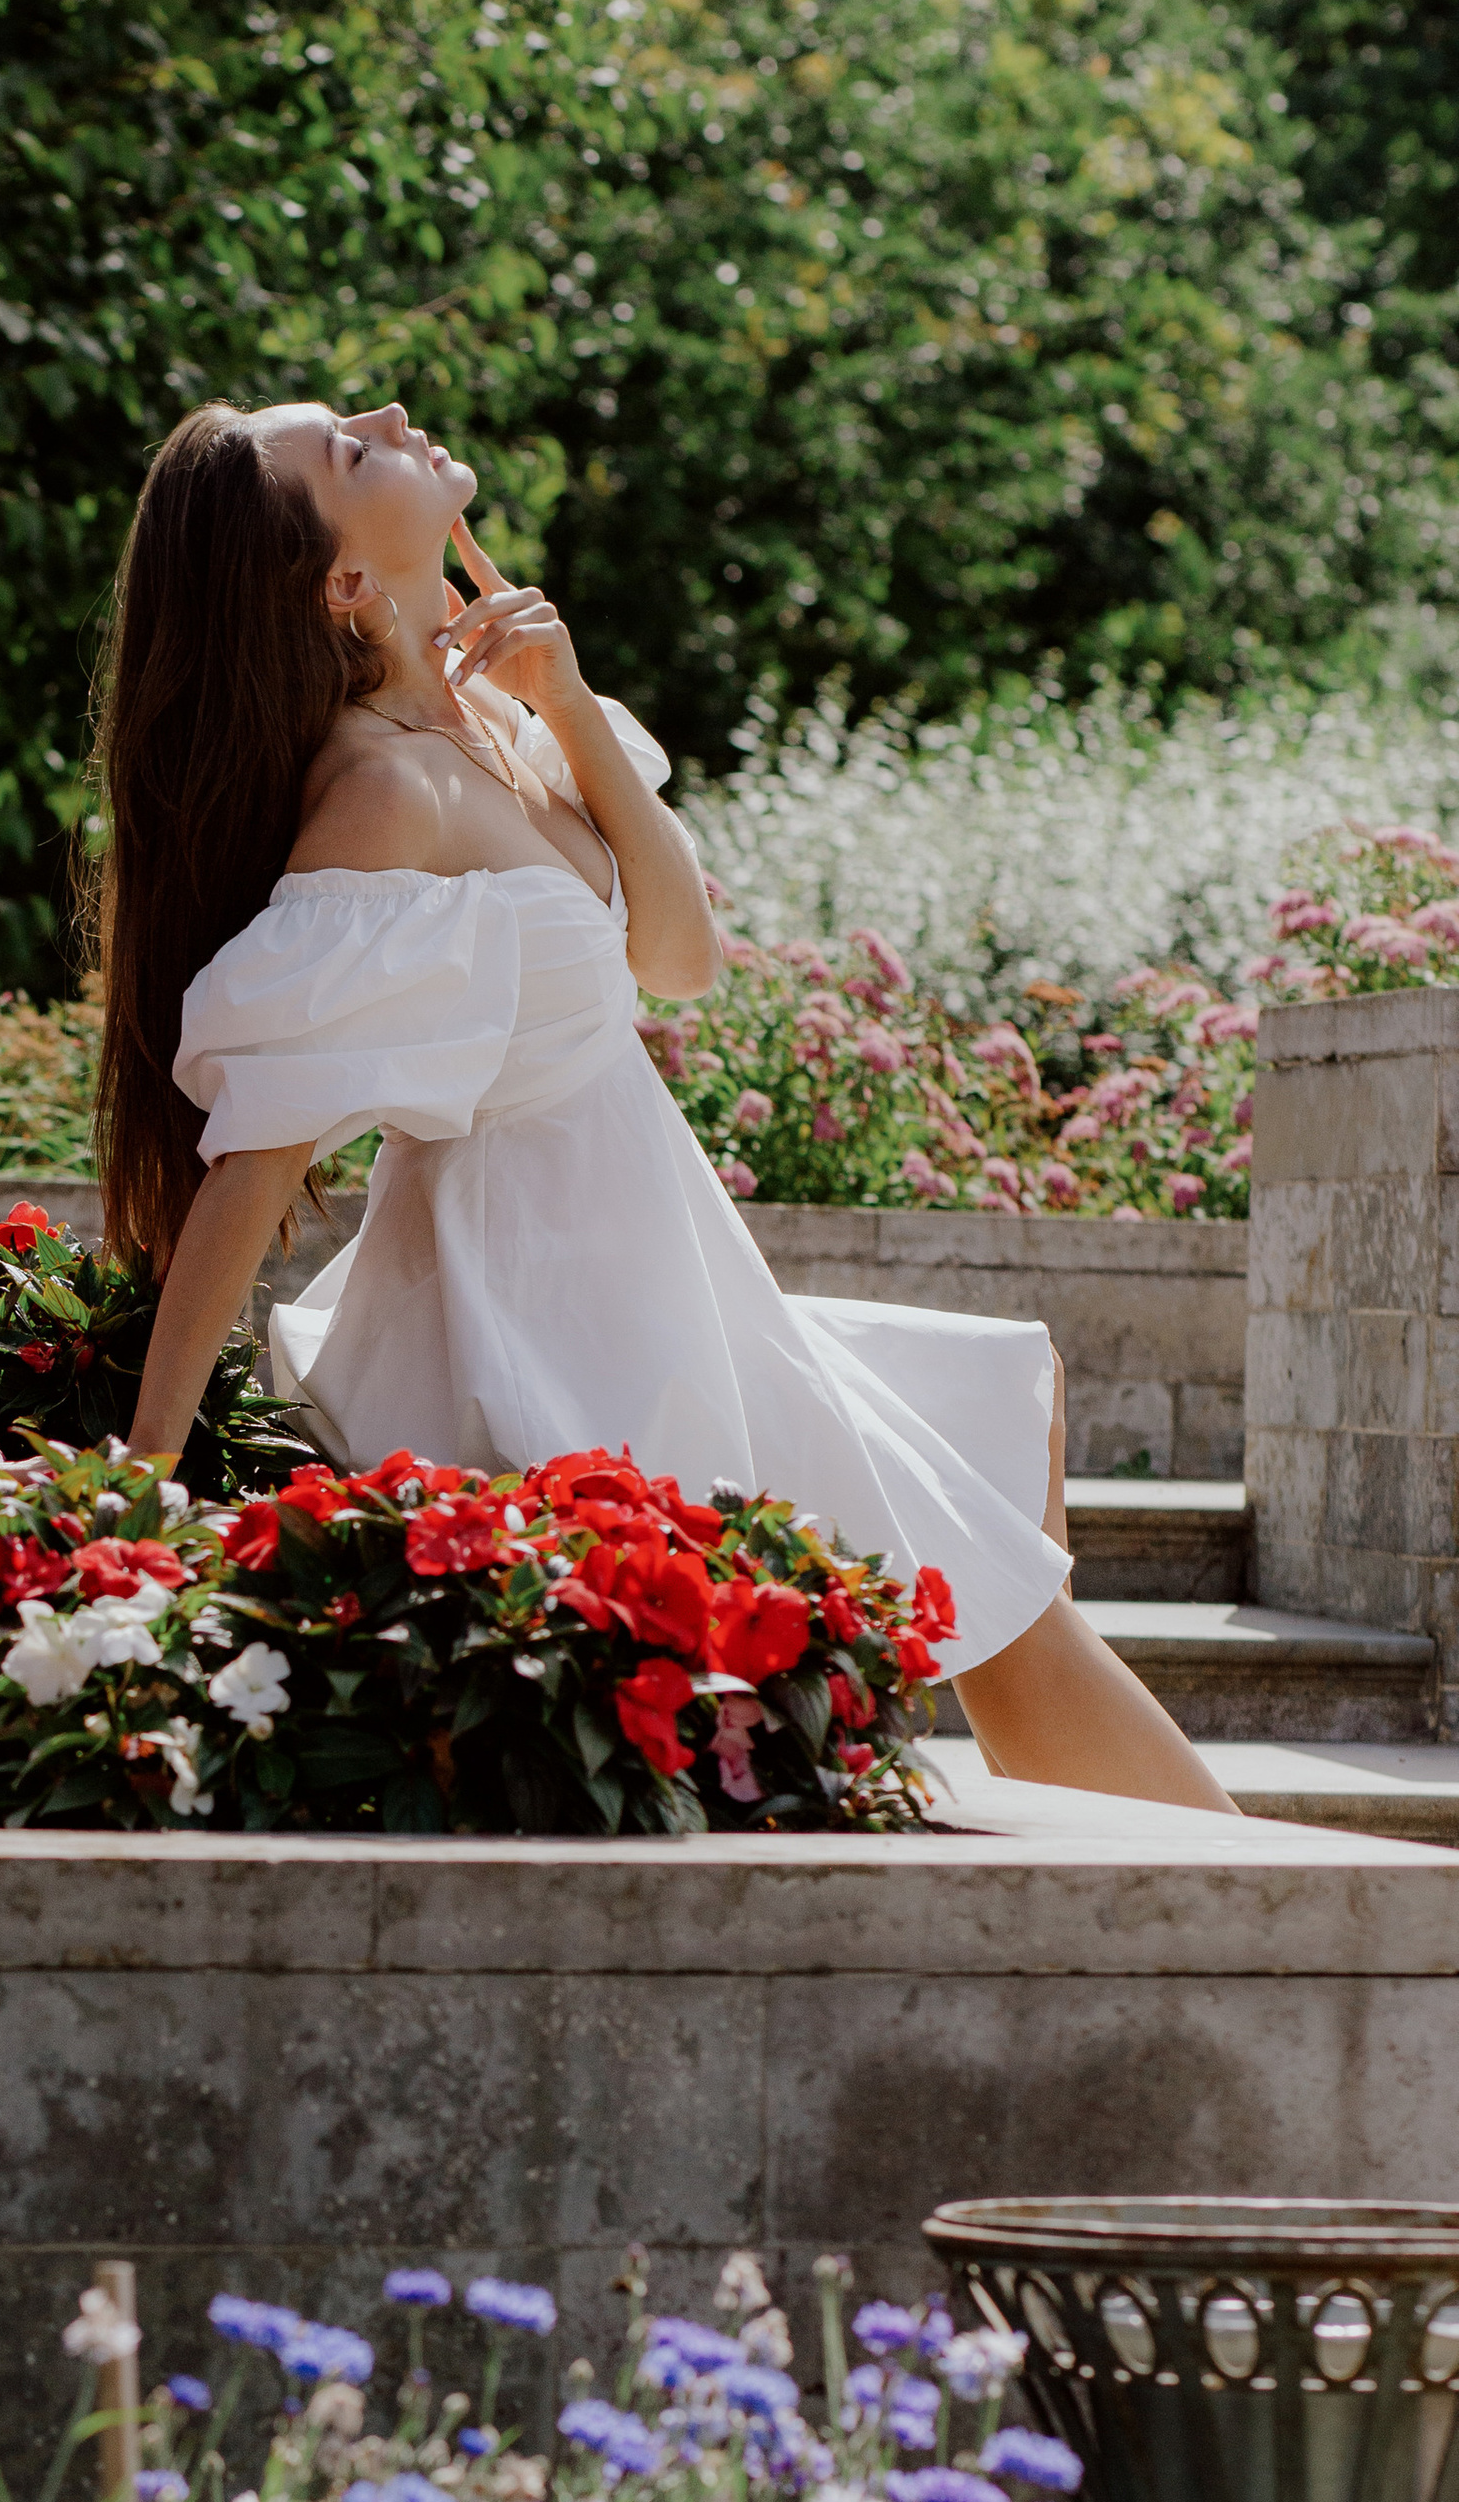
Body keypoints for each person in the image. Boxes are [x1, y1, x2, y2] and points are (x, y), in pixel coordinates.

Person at [91, 397, 1237, 1812]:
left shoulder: (492, 719)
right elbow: (254, 1165)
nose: (390, 413)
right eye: (347, 447)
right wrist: (139, 1478)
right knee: (1001, 1584)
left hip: (672, 1280)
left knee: (1013, 1406)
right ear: (340, 583)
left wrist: (567, 705)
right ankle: (1266, 1940)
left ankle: (1030, 1865)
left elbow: (679, 961)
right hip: (574, 1329)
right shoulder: (382, 797)